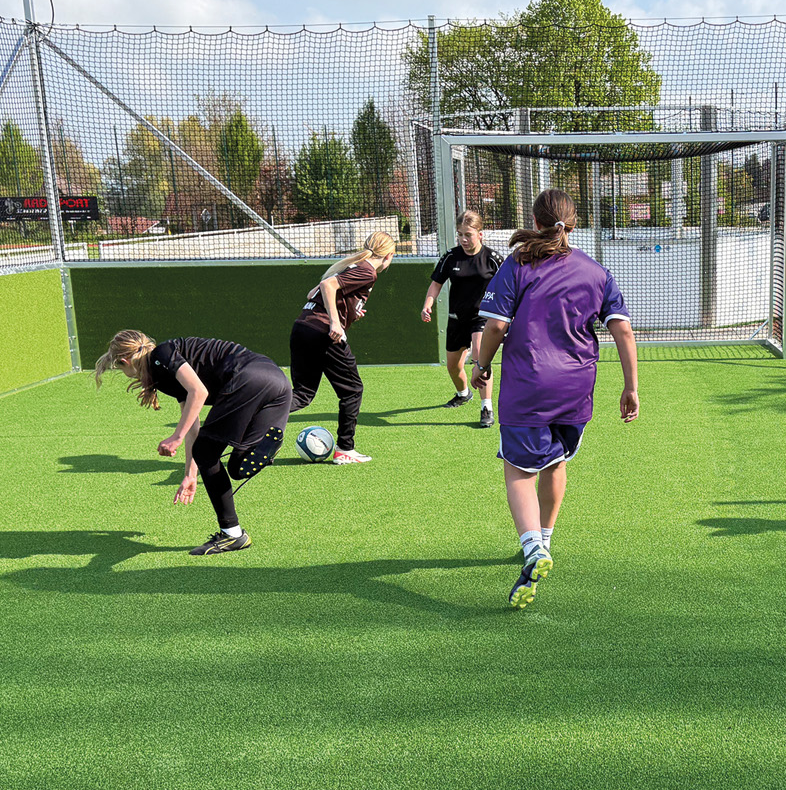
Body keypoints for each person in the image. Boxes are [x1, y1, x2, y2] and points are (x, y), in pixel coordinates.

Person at [471, 189, 639, 609]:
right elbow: (622, 330)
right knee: (556, 461)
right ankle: (544, 539)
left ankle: (532, 548)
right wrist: (631, 386)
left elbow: (494, 327)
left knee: (518, 470)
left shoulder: (519, 263)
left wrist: (481, 364)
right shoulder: (596, 271)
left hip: (529, 385)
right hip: (576, 388)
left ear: (535, 218)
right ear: (573, 220)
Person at [94, 330, 291, 555]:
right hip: (277, 383)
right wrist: (190, 473)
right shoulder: (165, 370)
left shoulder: (162, 355)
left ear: (124, 361)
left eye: (121, 369)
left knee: (206, 452)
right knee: (236, 467)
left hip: (248, 380)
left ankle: (232, 534)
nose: (127, 375)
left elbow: (199, 392)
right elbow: (192, 424)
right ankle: (263, 447)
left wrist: (175, 437)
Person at [289, 231, 395, 464]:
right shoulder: (367, 271)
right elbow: (327, 285)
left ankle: (256, 412)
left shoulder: (351, 266)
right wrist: (336, 322)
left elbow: (312, 293)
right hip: (323, 333)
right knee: (352, 390)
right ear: (389, 255)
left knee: (303, 394)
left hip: (302, 327)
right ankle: (345, 448)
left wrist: (350, 311)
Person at [420, 210, 502, 428]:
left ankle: (487, 407)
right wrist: (427, 304)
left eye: (468, 234)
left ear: (480, 234)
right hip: (456, 319)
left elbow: (508, 287)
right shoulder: (451, 257)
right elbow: (436, 283)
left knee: (479, 356)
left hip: (482, 318)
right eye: (460, 235)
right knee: (453, 366)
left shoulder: (493, 259)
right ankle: (463, 393)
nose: (464, 240)